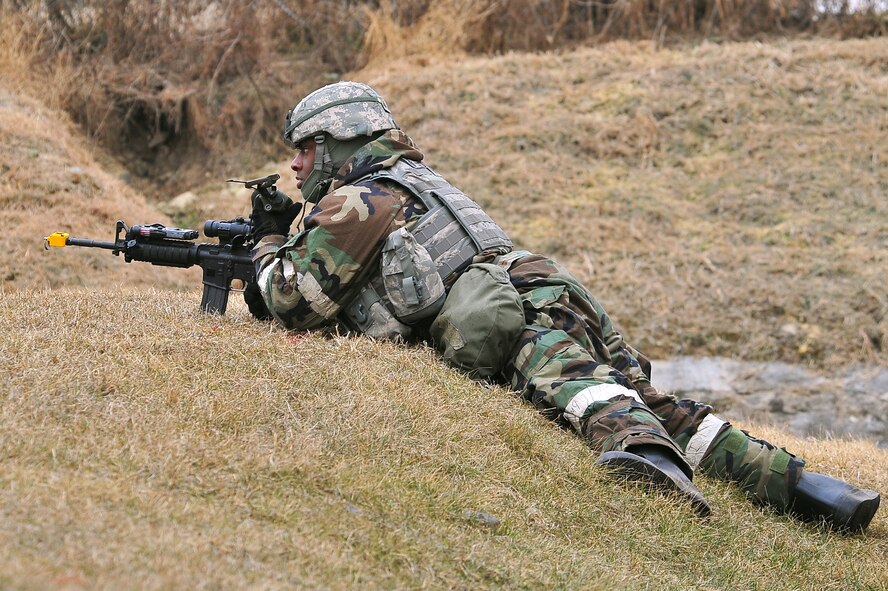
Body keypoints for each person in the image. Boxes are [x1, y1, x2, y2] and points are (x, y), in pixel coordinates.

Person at [244, 81, 880, 531]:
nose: (296, 164)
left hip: (512, 312)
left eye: (306, 147)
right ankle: (807, 489)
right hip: (549, 286)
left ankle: (651, 463)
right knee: (665, 407)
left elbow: (295, 303)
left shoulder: (361, 199)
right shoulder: (419, 179)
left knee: (581, 390)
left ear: (341, 141)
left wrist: (270, 241)